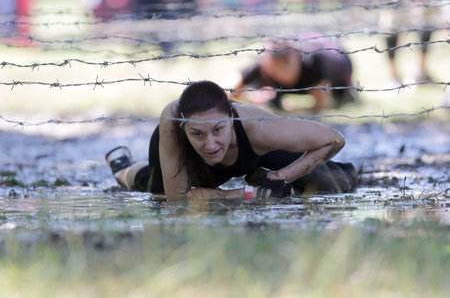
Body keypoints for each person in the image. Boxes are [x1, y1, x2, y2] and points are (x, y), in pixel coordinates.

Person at [106, 80, 357, 200]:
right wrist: (251, 193)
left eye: (218, 129)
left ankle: (266, 171)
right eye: (198, 134)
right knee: (154, 190)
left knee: (328, 181)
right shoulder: (172, 127)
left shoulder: (257, 127)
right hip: (193, 165)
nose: (211, 144)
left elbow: (333, 139)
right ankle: (125, 167)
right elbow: (179, 199)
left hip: (251, 153)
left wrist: (281, 178)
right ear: (185, 129)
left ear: (232, 118)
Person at [228, 33, 357, 112]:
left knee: (343, 99)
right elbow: (229, 90)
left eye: (286, 65)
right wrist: (256, 98)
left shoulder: (312, 64)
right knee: (262, 91)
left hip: (339, 64)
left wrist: (293, 110)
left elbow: (322, 106)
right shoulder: (265, 64)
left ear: (295, 58)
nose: (282, 72)